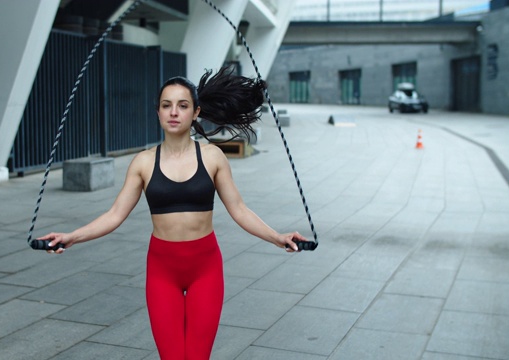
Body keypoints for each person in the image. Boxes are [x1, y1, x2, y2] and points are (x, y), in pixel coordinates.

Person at [38, 66, 310, 360]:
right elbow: (115, 215)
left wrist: (277, 237)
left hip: (205, 268)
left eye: (183, 105)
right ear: (157, 113)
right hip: (162, 270)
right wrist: (71, 237)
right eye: (166, 105)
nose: (174, 112)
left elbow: (239, 209)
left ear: (195, 113)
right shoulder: (143, 163)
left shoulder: (211, 156)